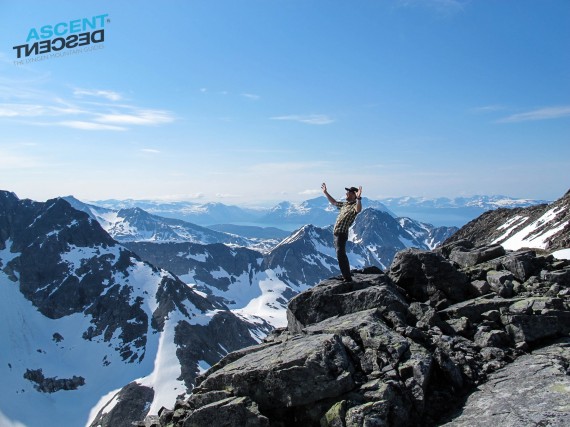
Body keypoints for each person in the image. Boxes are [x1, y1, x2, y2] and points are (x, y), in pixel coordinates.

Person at [321, 183, 363, 282]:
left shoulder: (353, 206)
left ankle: (347, 277)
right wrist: (325, 192)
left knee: (341, 254)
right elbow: (334, 202)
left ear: (353, 195)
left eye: (348, 192)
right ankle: (345, 275)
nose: (346, 193)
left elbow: (358, 209)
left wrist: (359, 199)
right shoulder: (345, 205)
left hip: (341, 234)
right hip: (336, 234)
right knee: (340, 254)